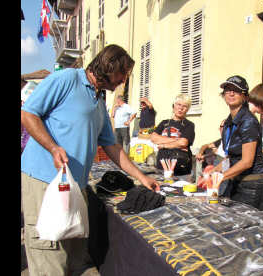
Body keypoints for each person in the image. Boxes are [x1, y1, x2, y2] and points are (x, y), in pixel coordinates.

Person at [21, 44, 160, 276]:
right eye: (122, 73)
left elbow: (112, 146)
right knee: (49, 254)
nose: (123, 80)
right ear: (109, 65)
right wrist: (53, 148)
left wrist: (140, 176)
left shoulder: (98, 101)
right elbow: (28, 113)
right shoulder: (66, 79)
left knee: (75, 254)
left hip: (75, 187)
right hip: (43, 181)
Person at [202, 76, 263, 210]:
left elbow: (247, 161)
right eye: (227, 90)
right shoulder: (229, 121)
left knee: (247, 227)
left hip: (253, 185)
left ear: (245, 96)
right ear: (223, 95)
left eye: (236, 90)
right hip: (237, 181)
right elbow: (231, 158)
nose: (231, 93)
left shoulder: (248, 121)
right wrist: (211, 172)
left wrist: (219, 177)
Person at [150, 94, 195, 176]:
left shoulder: (189, 125)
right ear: (173, 106)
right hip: (162, 166)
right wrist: (177, 141)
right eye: (179, 104)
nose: (181, 108)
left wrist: (163, 145)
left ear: (187, 110)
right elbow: (153, 138)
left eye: (184, 106)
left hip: (180, 167)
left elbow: (183, 143)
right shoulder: (164, 123)